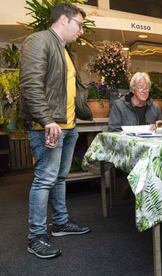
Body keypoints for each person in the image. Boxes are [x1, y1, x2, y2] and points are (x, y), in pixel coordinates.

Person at [20, 3, 92, 259]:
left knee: (60, 178)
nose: (81, 31)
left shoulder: (65, 51)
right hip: (47, 127)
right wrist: (47, 119)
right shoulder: (39, 41)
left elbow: (67, 90)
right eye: (79, 25)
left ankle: (60, 223)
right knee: (44, 179)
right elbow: (31, 85)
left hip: (67, 126)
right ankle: (36, 236)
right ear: (63, 19)